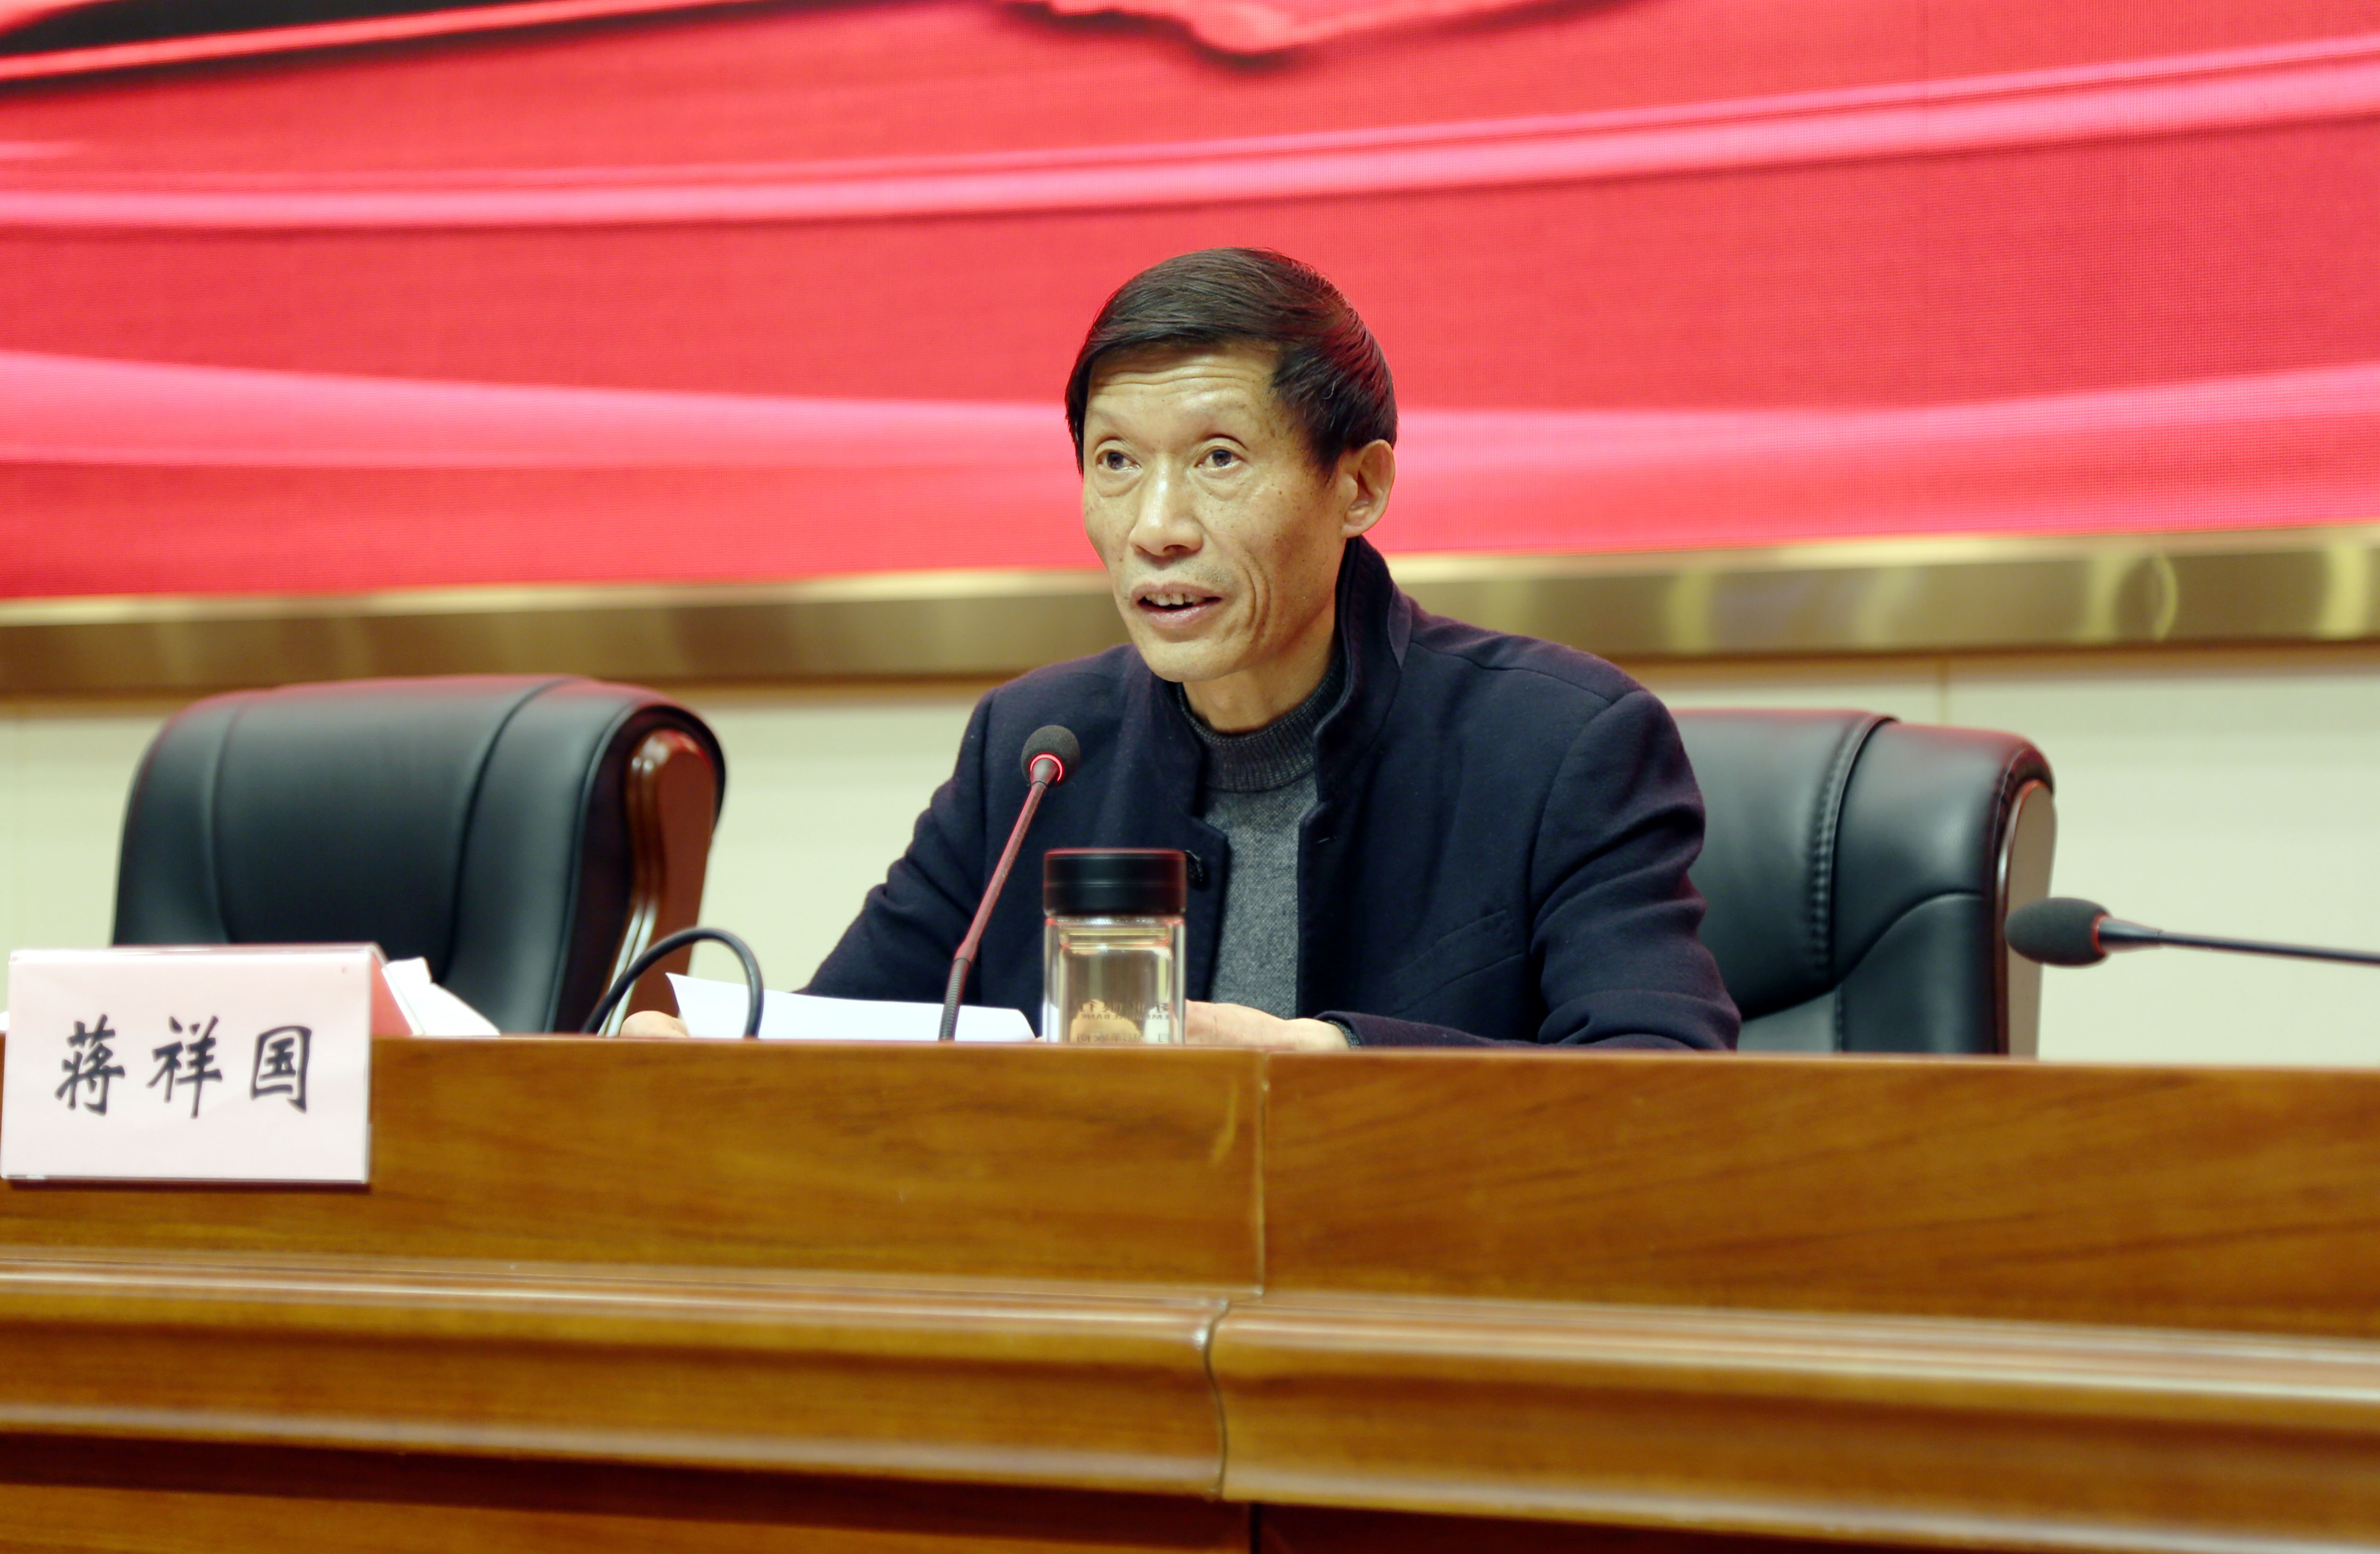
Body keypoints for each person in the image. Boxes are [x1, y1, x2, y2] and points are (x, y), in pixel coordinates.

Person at [641, 248, 1738, 1051]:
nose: (1155, 525)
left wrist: (1330, 1061)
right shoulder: (1035, 751)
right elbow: (847, 1040)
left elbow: (1662, 1083)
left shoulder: (1557, 745)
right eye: (1114, 462)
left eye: (1217, 457)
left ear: (1359, 485)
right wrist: (709, 1062)